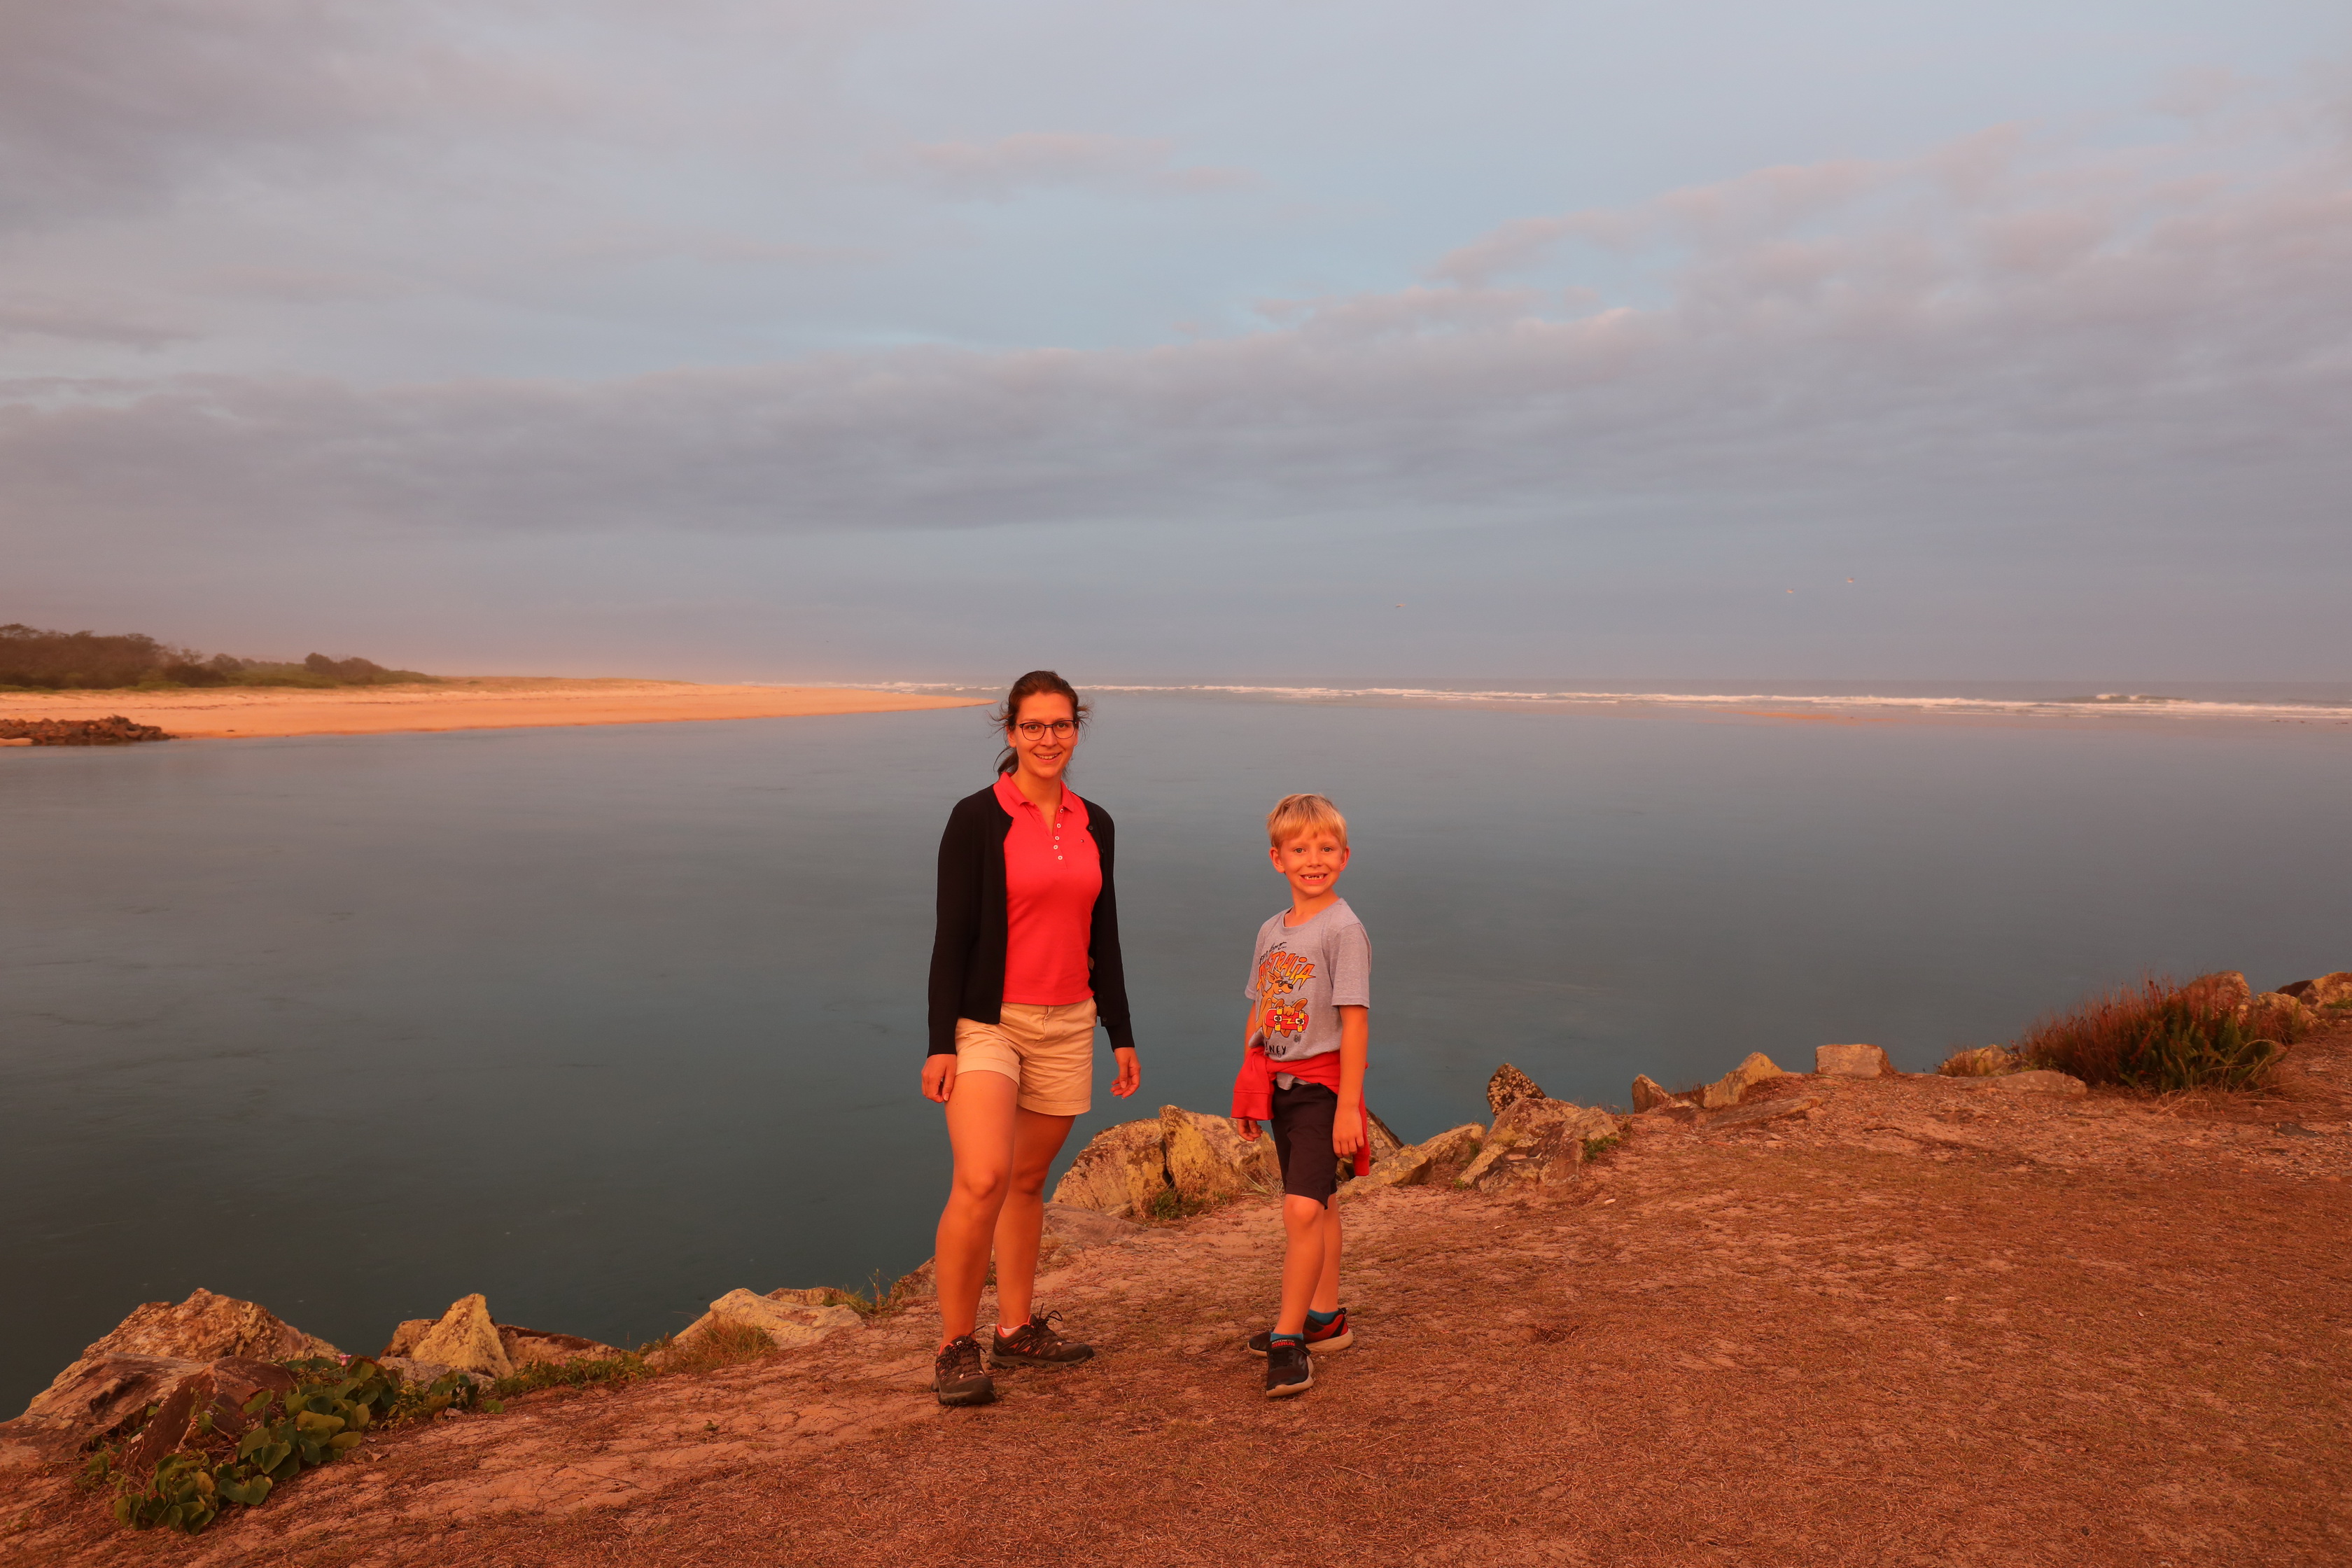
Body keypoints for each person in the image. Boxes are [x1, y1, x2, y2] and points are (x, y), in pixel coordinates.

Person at [923, 670, 1140, 1408]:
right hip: (989, 1021)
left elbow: (1101, 932)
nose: (1049, 738)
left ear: (1077, 728)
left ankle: (1016, 1329)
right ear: (1010, 732)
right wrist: (940, 1041)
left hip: (1069, 1019)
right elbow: (952, 936)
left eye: (1062, 724)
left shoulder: (1094, 821)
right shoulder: (977, 817)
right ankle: (957, 1343)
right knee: (981, 1176)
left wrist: (1121, 1029)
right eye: (1033, 726)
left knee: (1024, 1182)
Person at [1230, 792, 1371, 1397]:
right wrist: (1248, 1087)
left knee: (1301, 1210)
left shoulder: (1344, 929)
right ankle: (1325, 1317)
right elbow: (1261, 1009)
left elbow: (1356, 1021)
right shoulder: (1271, 930)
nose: (1314, 859)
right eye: (1300, 849)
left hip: (1322, 1088)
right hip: (1280, 1086)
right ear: (1277, 859)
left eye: (1326, 849)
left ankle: (1289, 1340)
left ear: (1345, 855)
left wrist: (1347, 1107)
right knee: (1321, 1202)